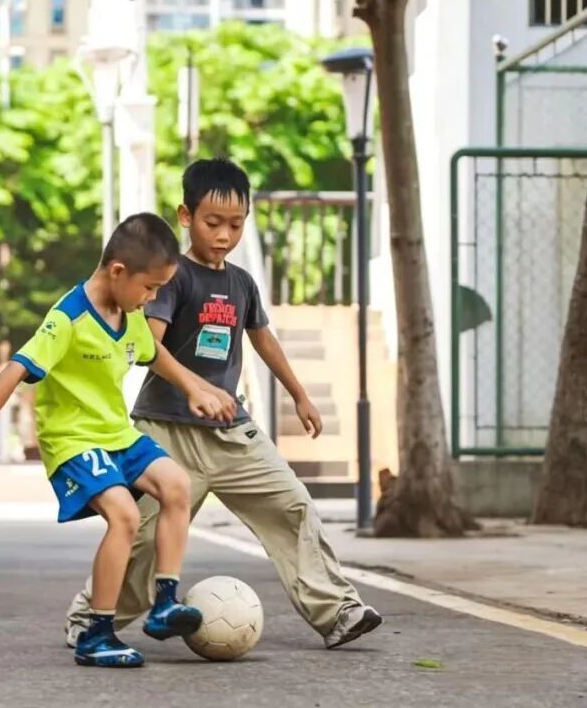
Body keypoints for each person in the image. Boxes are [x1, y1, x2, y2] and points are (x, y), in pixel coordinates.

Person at [63, 158, 383, 650]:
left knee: (292, 504)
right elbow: (151, 346)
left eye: (236, 224)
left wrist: (300, 394)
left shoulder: (241, 283)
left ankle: (337, 610)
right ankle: (91, 618)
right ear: (186, 216)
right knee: (144, 542)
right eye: (213, 223)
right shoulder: (171, 278)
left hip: (232, 433)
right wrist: (195, 387)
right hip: (165, 432)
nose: (225, 235)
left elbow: (263, 340)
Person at [0, 213, 238, 668]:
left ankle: (164, 603)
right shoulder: (68, 317)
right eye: (150, 288)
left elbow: (154, 354)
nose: (154, 298)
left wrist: (194, 389)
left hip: (116, 433)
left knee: (177, 485)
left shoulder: (130, 312)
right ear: (118, 271)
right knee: (123, 514)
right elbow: (16, 369)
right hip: (72, 440)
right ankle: (96, 632)